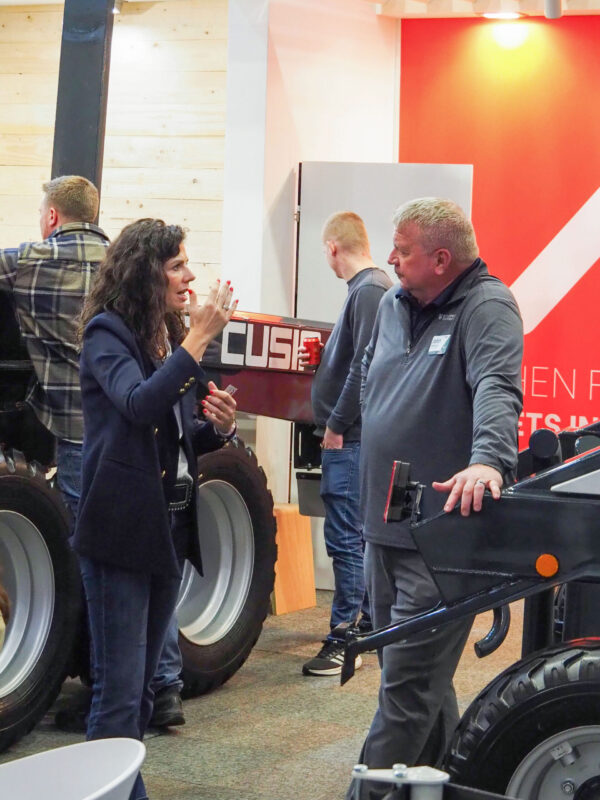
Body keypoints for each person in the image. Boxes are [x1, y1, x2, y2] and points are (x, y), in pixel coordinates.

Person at [347, 198, 523, 800]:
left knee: (406, 689)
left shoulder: (487, 307)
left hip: (440, 535)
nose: (390, 259)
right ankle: (446, 784)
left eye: (402, 250)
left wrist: (488, 459)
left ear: (441, 259)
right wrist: (355, 424)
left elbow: (498, 388)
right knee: (419, 679)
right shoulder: (394, 303)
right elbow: (370, 375)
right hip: (383, 525)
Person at [0, 176, 184, 729]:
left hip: (85, 440)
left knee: (106, 574)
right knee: (144, 570)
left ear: (52, 216)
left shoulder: (29, 262)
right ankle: (162, 683)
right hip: (134, 442)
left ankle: (114, 688)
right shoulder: (127, 271)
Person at [74, 218, 237, 800]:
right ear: (146, 273)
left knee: (143, 693)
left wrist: (218, 428)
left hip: (166, 526)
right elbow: (139, 405)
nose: (189, 276)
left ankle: (122, 789)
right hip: (121, 529)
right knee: (118, 696)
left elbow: (172, 430)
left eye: (186, 264)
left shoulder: (163, 335)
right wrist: (199, 339)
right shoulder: (107, 332)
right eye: (176, 266)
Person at [301, 212, 392, 677]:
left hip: (350, 438)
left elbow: (366, 366)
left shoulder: (369, 289)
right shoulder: (367, 291)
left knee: (346, 540)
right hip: (352, 436)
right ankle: (368, 625)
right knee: (357, 537)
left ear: (333, 247)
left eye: (325, 252)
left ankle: (344, 637)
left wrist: (336, 424)